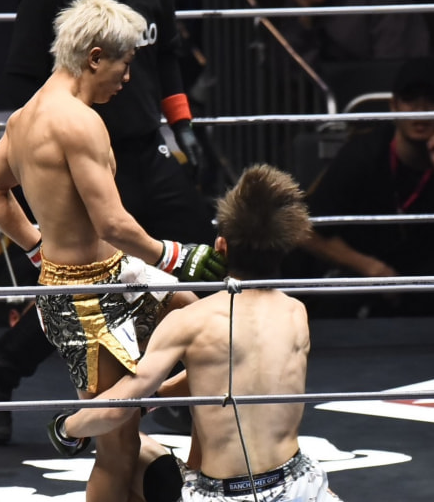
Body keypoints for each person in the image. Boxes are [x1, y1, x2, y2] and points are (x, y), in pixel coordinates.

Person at [0, 0, 226, 502]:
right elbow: (112, 222)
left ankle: (133, 404)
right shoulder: (80, 122)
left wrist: (37, 249)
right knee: (118, 451)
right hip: (84, 297)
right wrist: (176, 255)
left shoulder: (23, 118)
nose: (128, 78)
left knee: (205, 330)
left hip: (115, 271)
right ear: (94, 57)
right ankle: (98, 418)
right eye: (125, 64)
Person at [50, 164, 341, 501]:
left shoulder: (192, 321)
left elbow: (117, 409)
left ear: (220, 246)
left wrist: (66, 428)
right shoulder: (295, 313)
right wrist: (157, 398)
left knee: (126, 447)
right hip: (298, 484)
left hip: (227, 496)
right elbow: (231, 369)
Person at [302, 57, 434, 317]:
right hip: (369, 270)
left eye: (432, 100)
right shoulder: (362, 154)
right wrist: (369, 268)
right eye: (410, 99)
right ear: (393, 106)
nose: (421, 110)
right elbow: (305, 230)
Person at [277, 0, 430, 65]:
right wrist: (305, 20)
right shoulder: (297, 0)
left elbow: (394, 68)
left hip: (375, 99)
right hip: (316, 103)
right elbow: (289, 73)